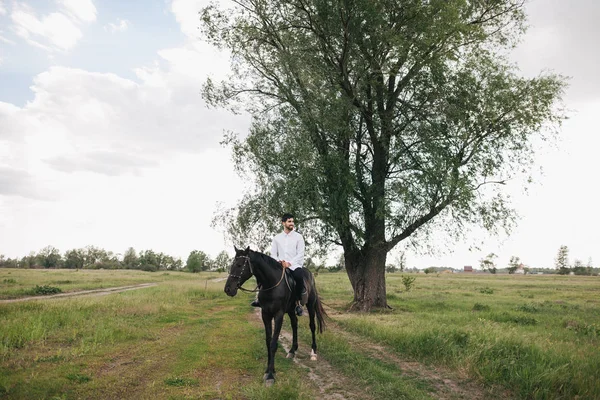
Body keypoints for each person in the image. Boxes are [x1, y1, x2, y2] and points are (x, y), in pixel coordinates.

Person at [251, 213, 307, 316]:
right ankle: (259, 298)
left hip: (294, 265)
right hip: (279, 266)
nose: (292, 224)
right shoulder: (277, 238)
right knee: (262, 275)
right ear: (283, 223)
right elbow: (273, 253)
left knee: (298, 277)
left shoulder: (298, 237)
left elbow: (300, 254)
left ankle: (298, 303)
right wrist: (278, 262)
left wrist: (289, 263)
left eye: (292, 221)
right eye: (289, 221)